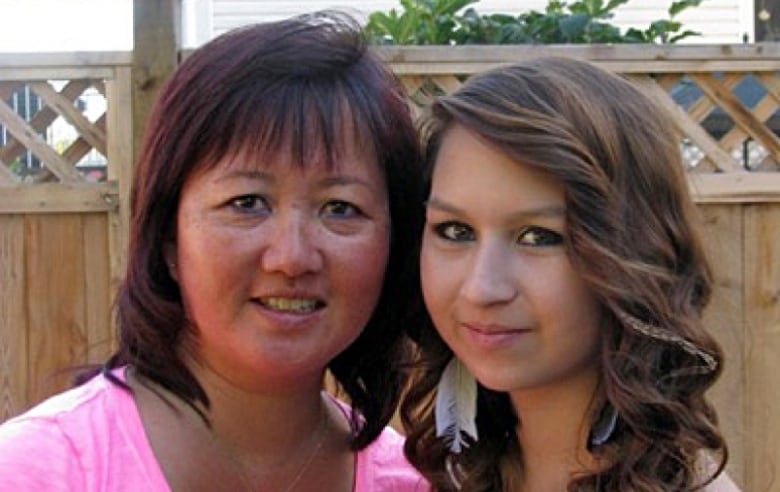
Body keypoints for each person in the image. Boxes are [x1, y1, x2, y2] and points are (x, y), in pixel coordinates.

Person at [0, 12, 427, 491]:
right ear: (168, 239)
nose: (292, 258)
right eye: (247, 203)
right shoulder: (36, 472)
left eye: (341, 208)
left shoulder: (411, 482)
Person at [401, 57, 741, 491]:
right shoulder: (457, 470)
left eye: (539, 237)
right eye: (455, 231)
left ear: (631, 251)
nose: (481, 288)